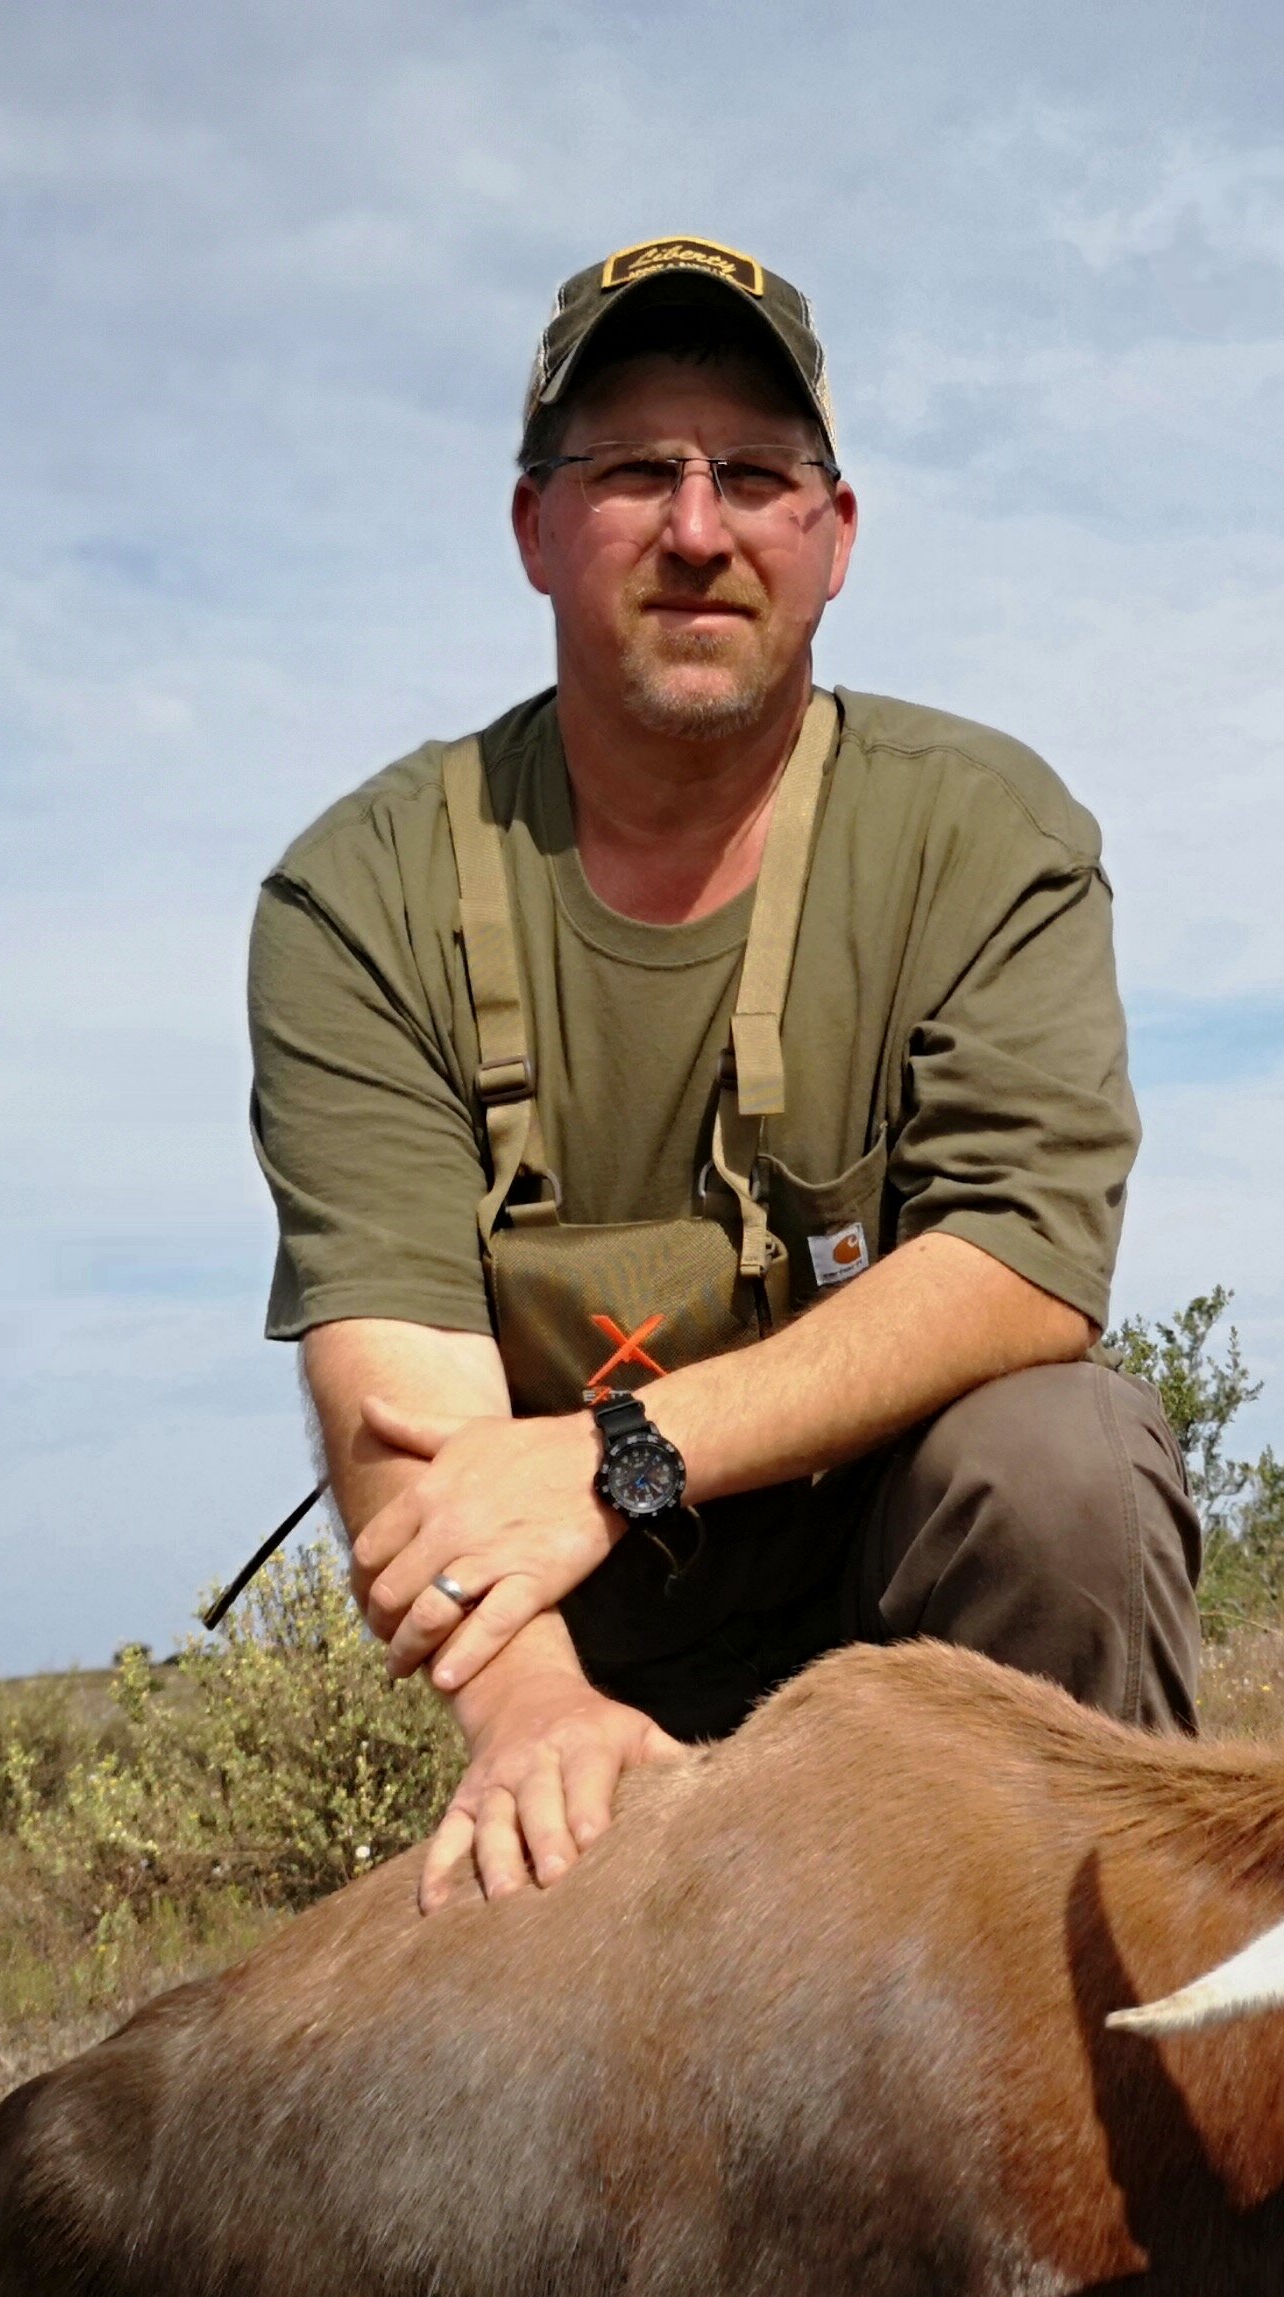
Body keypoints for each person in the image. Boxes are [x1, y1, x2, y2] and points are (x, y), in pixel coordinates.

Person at [246, 235, 1200, 1909]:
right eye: (632, 472)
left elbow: (1025, 1266)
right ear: (535, 527)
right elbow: (402, 1411)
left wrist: (621, 1451)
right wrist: (535, 1709)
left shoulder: (982, 832)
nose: (698, 530)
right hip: (584, 1655)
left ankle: (1102, 2023)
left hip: (921, 1627)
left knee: (1062, 1464)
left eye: (754, 475)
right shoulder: (359, 894)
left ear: (832, 540)